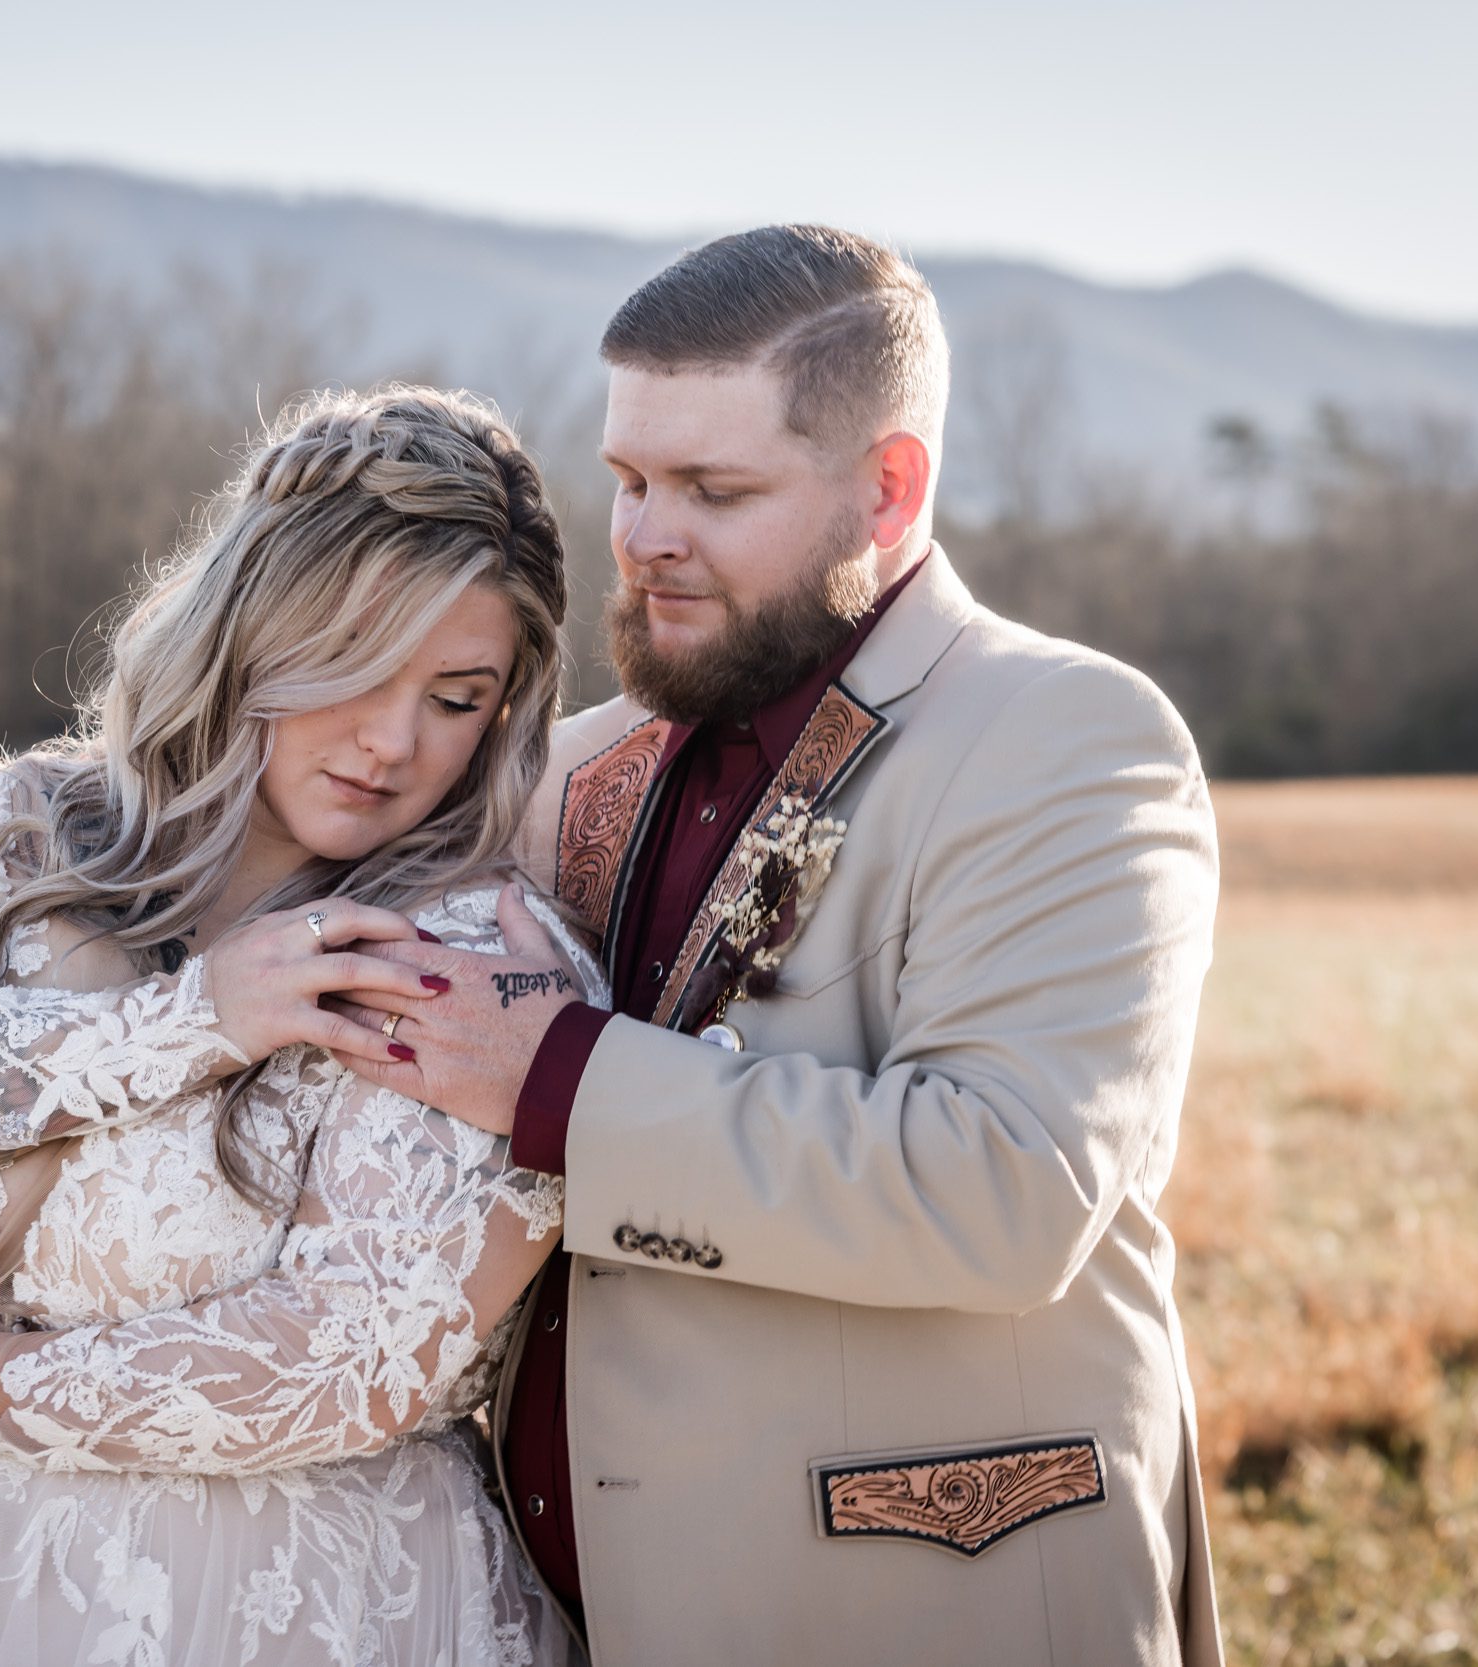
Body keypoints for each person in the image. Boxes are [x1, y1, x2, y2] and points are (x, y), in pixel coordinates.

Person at [309, 226, 1227, 1663]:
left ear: (889, 485)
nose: (645, 534)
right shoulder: (568, 763)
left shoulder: (1067, 735)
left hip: (919, 1600)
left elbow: (1008, 1187)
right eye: (628, 479)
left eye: (714, 490)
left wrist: (556, 1076)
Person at [0, 385, 598, 1667]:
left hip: (306, 1602)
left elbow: (356, 1359)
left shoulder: (466, 956)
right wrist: (192, 1019)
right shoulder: (14, 832)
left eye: (456, 697)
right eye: (358, 666)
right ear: (250, 625)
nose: (394, 741)